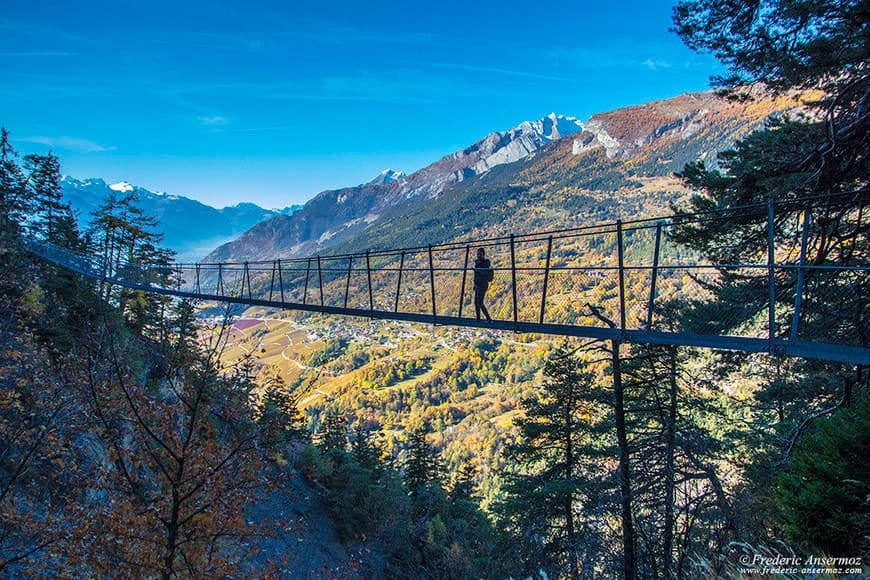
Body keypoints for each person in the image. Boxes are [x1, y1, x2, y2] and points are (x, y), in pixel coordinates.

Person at [473, 248, 493, 321]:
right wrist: (474, 285)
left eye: (480, 254)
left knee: (480, 302)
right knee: (476, 302)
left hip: (483, 284)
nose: (478, 256)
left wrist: (477, 270)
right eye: (478, 254)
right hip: (478, 284)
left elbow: (484, 273)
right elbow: (476, 275)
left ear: (483, 255)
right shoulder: (477, 263)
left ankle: (488, 318)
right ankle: (478, 317)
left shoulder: (486, 263)